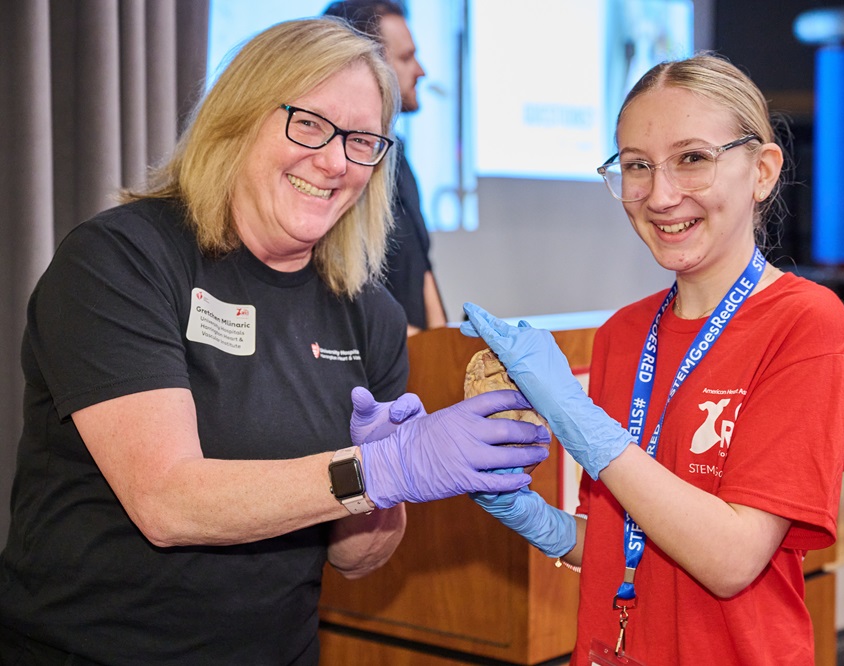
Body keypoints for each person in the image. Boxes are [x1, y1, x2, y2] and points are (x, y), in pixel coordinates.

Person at [0, 19, 550, 666]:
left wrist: (382, 497)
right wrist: (377, 469)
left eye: (362, 140)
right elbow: (167, 502)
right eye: (310, 125)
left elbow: (353, 559)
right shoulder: (122, 260)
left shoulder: (368, 313)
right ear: (237, 118)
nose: (336, 161)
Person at [461, 53, 844, 665]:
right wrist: (537, 520)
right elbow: (626, 540)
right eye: (636, 166)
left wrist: (582, 423)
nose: (660, 194)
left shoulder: (806, 325)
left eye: (693, 159)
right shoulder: (624, 333)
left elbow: (732, 558)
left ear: (762, 170)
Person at [324, 0, 447, 336]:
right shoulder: (330, 168)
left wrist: (442, 351)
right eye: (406, 58)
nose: (420, 70)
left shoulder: (399, 158)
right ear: (366, 63)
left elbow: (422, 268)